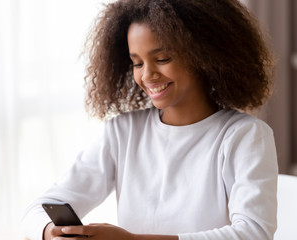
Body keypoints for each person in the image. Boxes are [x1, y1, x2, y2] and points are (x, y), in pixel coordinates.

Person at [21, 0, 278, 239]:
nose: (147, 75)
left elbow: (253, 233)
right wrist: (50, 231)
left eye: (162, 59)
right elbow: (38, 210)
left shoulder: (244, 136)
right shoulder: (122, 132)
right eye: (137, 63)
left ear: (204, 55)